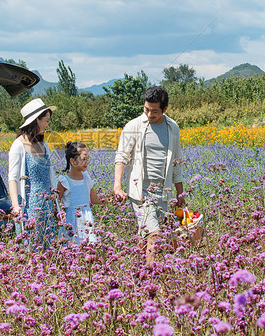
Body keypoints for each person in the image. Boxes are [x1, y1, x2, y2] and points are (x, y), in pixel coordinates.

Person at [113, 86, 185, 265]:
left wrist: (180, 194)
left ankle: (138, 274)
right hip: (140, 192)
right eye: (146, 109)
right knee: (155, 235)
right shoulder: (134, 126)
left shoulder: (172, 127)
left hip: (163, 191)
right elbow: (121, 156)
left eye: (154, 111)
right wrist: (118, 187)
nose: (149, 114)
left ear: (165, 109)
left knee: (146, 237)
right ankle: (152, 276)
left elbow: (176, 162)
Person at [8, 98, 57, 249]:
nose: (47, 125)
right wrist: (16, 207)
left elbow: (50, 176)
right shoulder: (18, 145)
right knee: (31, 246)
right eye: (46, 121)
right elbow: (12, 178)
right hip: (29, 205)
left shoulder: (44, 145)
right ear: (36, 120)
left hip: (47, 204)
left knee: (49, 245)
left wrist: (55, 201)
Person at [56, 141, 104, 244]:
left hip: (87, 220)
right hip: (71, 222)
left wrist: (110, 199)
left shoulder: (86, 178)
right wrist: (60, 216)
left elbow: (94, 199)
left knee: (88, 249)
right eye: (83, 159)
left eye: (88, 159)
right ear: (73, 161)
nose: (87, 162)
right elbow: (57, 204)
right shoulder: (64, 181)